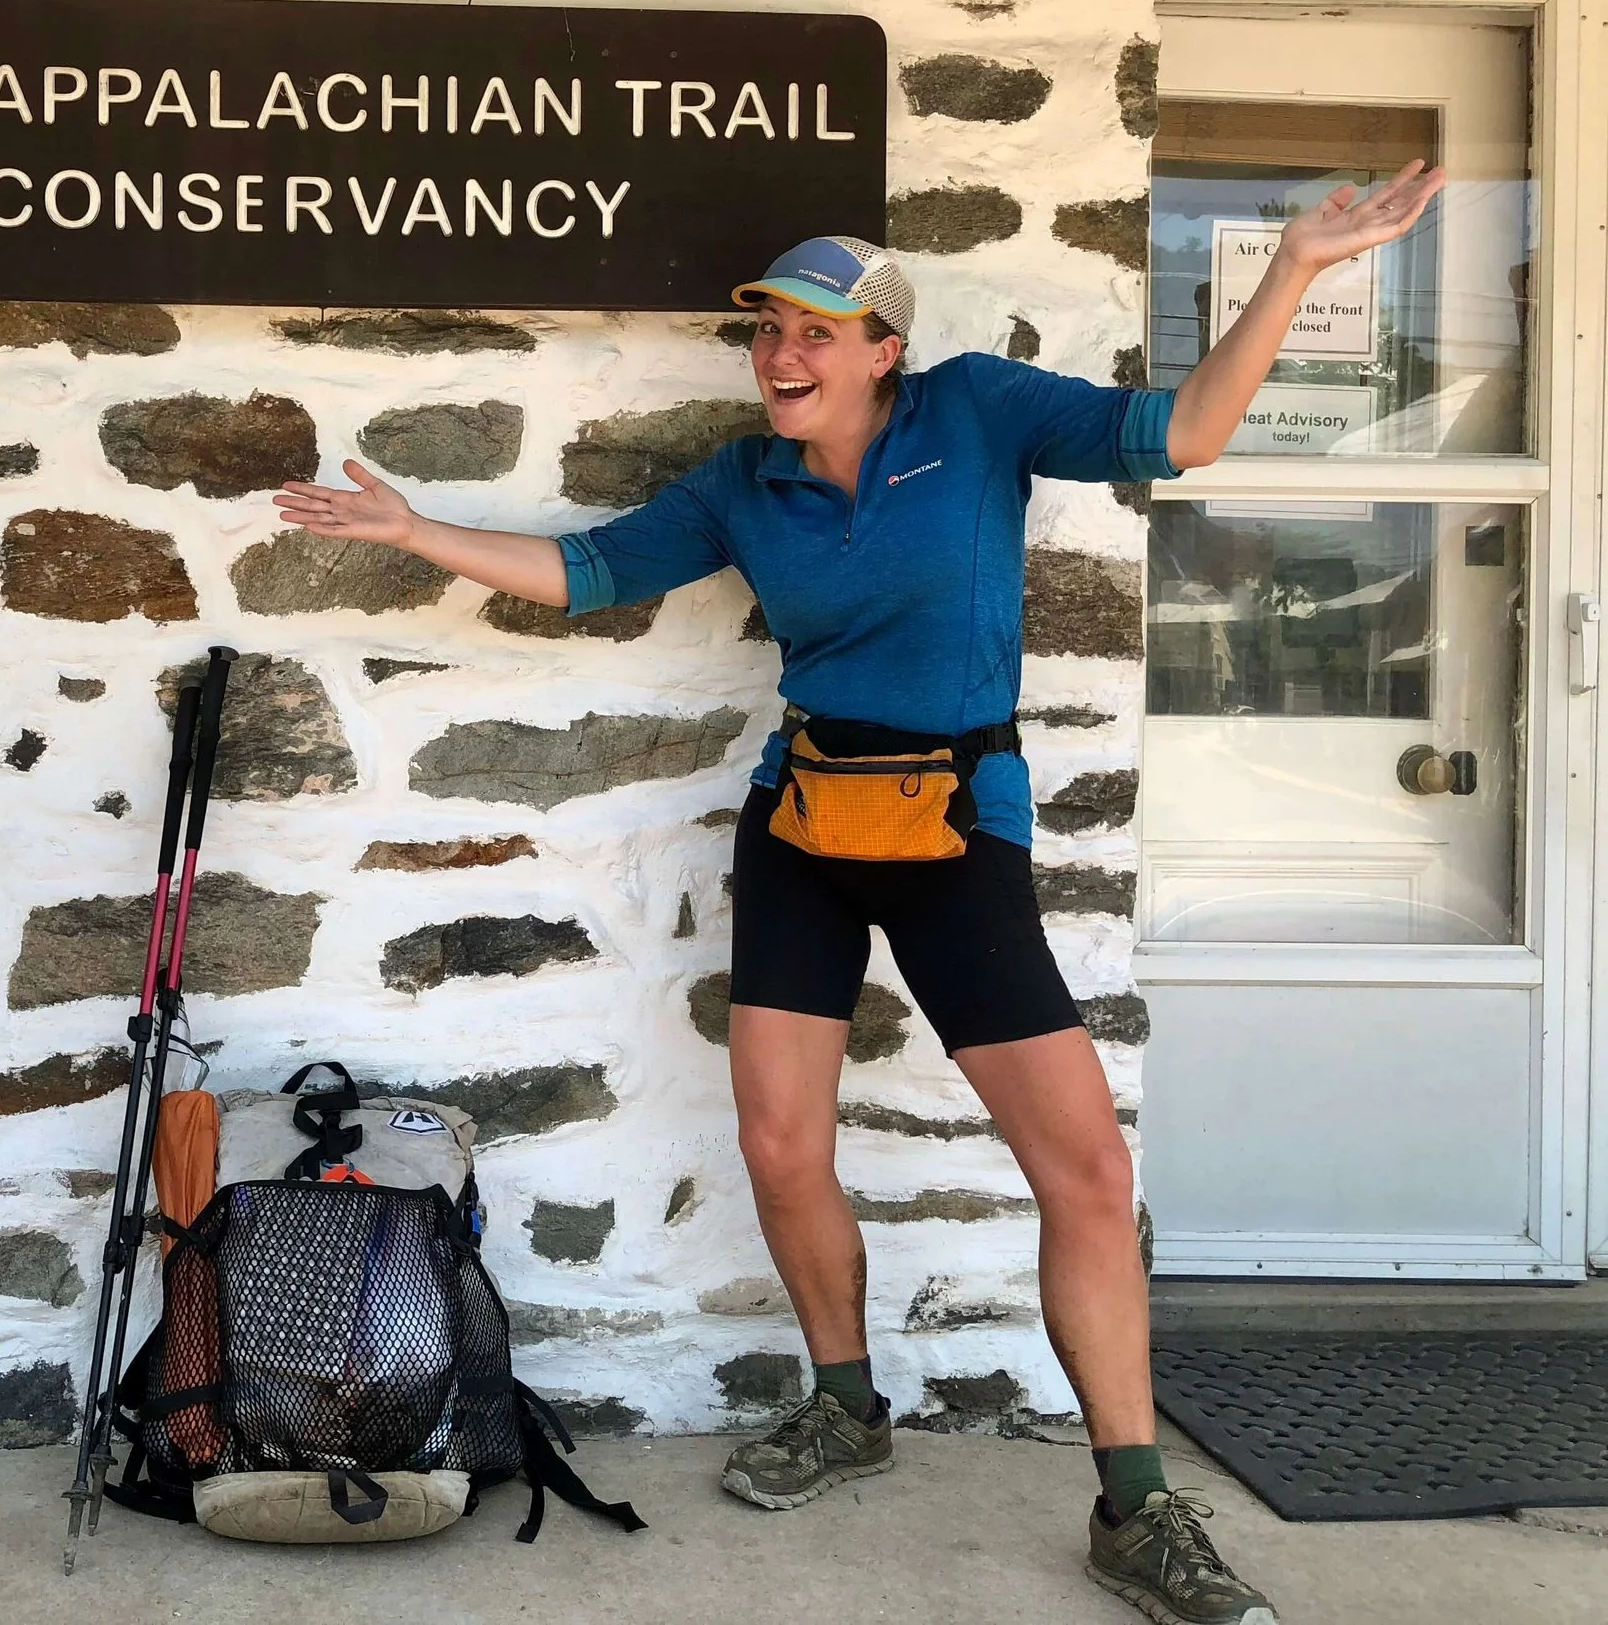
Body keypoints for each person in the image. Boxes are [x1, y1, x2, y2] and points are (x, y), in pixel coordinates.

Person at [274, 164, 1442, 1625]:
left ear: (886, 347)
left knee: (1083, 1168)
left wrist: (1295, 271)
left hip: (957, 825)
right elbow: (583, 572)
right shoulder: (742, 480)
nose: (783, 357)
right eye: (768, 331)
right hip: (806, 819)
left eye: (819, 332)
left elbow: (1186, 434)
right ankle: (847, 1403)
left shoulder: (979, 411)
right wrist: (411, 532)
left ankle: (1137, 1503)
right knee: (778, 1139)